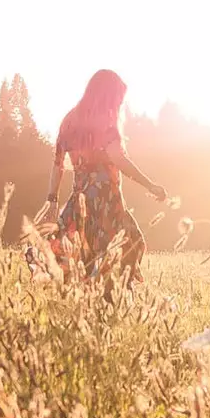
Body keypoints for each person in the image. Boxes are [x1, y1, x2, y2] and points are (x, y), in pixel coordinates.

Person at [34, 69, 169, 288]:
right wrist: (149, 184)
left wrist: (52, 197)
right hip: (106, 200)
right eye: (118, 100)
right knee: (130, 246)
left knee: (83, 253)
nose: (118, 106)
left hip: (80, 200)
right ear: (109, 96)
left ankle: (91, 298)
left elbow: (57, 164)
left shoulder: (69, 120)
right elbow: (118, 158)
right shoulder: (104, 120)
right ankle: (112, 296)